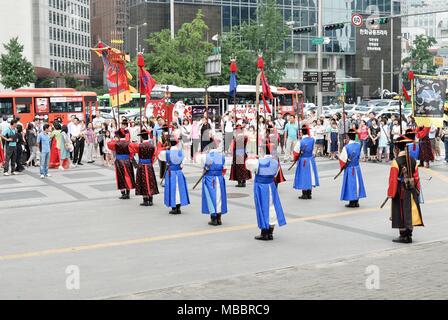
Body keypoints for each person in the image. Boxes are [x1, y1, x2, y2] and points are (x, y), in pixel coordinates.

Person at [387, 136, 424, 244]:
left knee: (401, 211)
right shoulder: (413, 160)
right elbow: (416, 177)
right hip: (411, 189)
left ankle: (403, 235)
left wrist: (391, 193)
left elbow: (393, 180)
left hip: (400, 190)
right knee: (410, 210)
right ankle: (409, 234)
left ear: (397, 148)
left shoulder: (396, 162)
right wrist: (417, 189)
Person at [246, 149, 287, 241]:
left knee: (262, 207)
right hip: (271, 186)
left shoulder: (257, 162)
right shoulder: (275, 162)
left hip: (261, 187)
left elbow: (248, 164)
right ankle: (270, 232)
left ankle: (264, 232)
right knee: (272, 207)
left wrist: (252, 157)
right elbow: (276, 173)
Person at [197, 138, 227, 226]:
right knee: (219, 196)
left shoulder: (205, 156)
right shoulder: (221, 156)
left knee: (211, 197)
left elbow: (201, 163)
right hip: (219, 178)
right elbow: (223, 167)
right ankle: (219, 217)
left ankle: (213, 218)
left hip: (209, 179)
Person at [158, 140, 190, 214]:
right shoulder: (181, 153)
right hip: (179, 172)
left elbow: (160, 156)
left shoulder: (167, 153)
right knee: (179, 188)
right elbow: (183, 164)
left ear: (169, 144)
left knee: (172, 189)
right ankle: (178, 207)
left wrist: (165, 148)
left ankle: (174, 207)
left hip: (171, 173)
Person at [128, 130, 159, 207]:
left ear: (141, 137)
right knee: (150, 180)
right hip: (149, 165)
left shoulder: (139, 146)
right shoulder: (152, 146)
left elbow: (130, 147)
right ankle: (150, 199)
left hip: (141, 165)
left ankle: (145, 199)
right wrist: (151, 162)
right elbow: (154, 156)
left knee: (143, 181)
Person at [339, 128, 367, 208]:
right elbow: (361, 156)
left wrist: (342, 167)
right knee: (357, 183)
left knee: (351, 184)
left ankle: (352, 201)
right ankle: (356, 201)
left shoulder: (346, 147)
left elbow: (342, 159)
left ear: (348, 136)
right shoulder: (358, 145)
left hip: (350, 168)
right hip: (356, 167)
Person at [107, 128, 136, 199]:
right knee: (128, 176)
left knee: (120, 176)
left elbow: (108, 144)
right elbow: (133, 152)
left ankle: (123, 193)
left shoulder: (116, 143)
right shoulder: (129, 143)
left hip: (119, 161)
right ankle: (128, 193)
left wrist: (115, 139)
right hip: (127, 161)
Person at [293, 125, 319, 200]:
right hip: (310, 159)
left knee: (304, 176)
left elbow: (295, 152)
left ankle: (304, 194)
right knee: (310, 175)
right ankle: (309, 193)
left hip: (303, 160)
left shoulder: (300, 142)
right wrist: (313, 154)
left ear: (302, 132)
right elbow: (314, 149)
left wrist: (296, 158)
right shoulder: (312, 140)